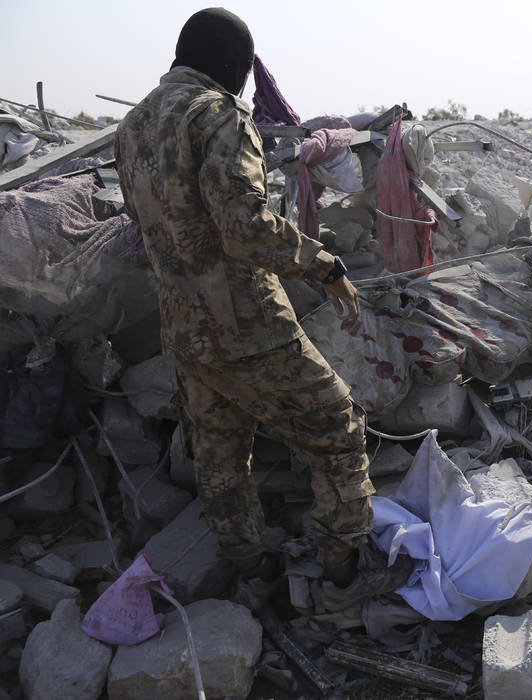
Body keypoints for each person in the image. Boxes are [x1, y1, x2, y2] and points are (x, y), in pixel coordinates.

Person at [114, 8, 377, 593]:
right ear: (232, 68)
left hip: (184, 330)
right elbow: (246, 229)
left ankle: (248, 569)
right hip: (248, 325)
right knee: (337, 426)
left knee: (220, 454)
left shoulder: (131, 127)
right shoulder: (217, 114)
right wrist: (324, 264)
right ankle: (343, 568)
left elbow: (144, 224)